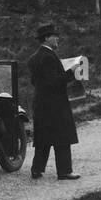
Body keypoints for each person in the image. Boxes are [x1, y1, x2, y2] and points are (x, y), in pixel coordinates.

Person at [27, 22, 80, 180]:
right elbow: (54, 82)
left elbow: (35, 81)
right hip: (55, 104)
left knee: (43, 138)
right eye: (55, 36)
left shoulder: (34, 57)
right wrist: (71, 72)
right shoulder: (49, 57)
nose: (57, 39)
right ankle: (64, 171)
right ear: (47, 38)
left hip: (40, 103)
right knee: (62, 138)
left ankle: (37, 169)